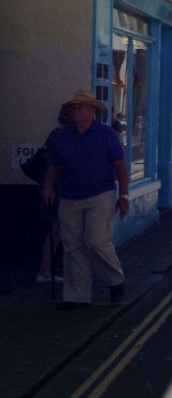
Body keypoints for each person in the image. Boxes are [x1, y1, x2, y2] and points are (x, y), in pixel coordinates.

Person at [40, 88, 128, 309]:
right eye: (73, 107)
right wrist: (48, 187)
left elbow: (120, 166)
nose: (75, 111)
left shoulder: (106, 135)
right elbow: (54, 166)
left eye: (80, 107)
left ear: (91, 111)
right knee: (72, 246)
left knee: (96, 241)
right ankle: (76, 296)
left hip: (100, 194)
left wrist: (124, 196)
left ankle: (115, 279)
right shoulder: (63, 136)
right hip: (69, 196)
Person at [36, 102, 73, 284]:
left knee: (57, 231)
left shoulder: (57, 135)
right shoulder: (60, 136)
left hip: (58, 189)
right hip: (57, 190)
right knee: (57, 231)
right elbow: (55, 165)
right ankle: (45, 272)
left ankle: (46, 271)